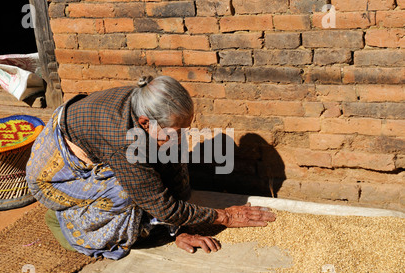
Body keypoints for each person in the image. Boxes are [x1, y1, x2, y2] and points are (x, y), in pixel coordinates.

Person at [25, 75, 276, 260]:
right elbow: (161, 205)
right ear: (145, 123)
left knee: (170, 149)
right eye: (176, 130)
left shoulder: (146, 103)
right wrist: (225, 217)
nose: (182, 136)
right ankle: (73, 225)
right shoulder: (124, 143)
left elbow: (171, 173)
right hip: (57, 178)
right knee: (125, 194)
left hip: (103, 144)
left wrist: (181, 226)